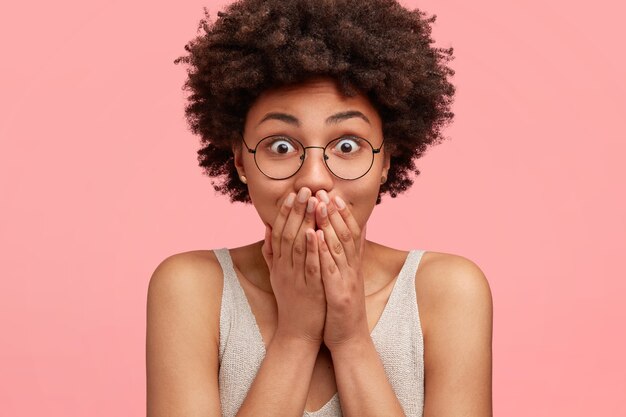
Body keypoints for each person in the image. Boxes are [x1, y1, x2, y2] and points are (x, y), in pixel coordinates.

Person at [146, 0, 493, 416]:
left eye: (347, 146)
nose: (314, 178)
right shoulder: (192, 288)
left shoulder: (448, 291)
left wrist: (350, 339)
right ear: (240, 160)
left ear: (385, 160)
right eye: (281, 145)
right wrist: (296, 335)